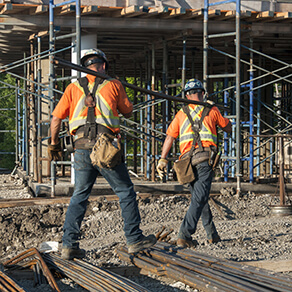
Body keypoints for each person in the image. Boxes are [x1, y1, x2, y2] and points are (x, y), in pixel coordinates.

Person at [48, 48, 156, 260]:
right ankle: (134, 239)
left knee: (79, 195)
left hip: (80, 148)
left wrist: (53, 144)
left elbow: (55, 120)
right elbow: (127, 111)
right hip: (105, 147)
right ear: (103, 65)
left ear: (84, 66)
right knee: (125, 191)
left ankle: (69, 245)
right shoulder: (113, 85)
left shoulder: (72, 87)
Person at [156, 78, 232, 248]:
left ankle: (212, 235)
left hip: (186, 164)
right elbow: (228, 128)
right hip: (204, 159)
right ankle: (184, 234)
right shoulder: (211, 110)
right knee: (199, 198)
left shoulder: (181, 113)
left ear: (186, 95)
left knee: (200, 197)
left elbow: (170, 136)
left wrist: (162, 158)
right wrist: (216, 109)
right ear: (203, 93)